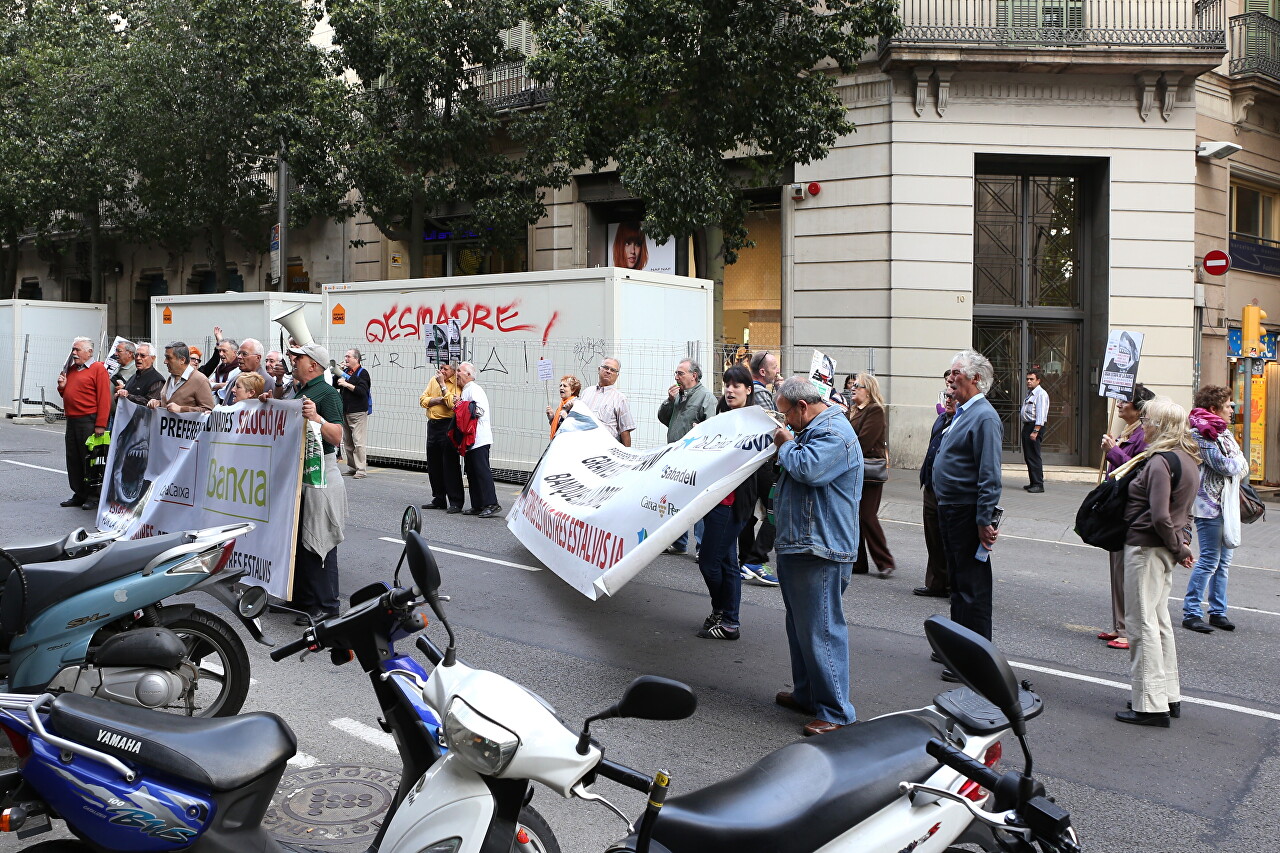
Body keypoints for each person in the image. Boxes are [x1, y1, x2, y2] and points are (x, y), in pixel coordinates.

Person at [770, 377, 862, 737]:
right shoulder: (815, 429)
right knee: (801, 627)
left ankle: (837, 711)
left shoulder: (834, 433)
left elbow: (808, 469)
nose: (785, 422)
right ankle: (809, 694)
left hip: (821, 546)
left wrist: (785, 444)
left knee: (821, 629)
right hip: (804, 542)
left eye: (786, 414)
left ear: (803, 407)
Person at [1116, 397, 1200, 727]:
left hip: (1147, 549)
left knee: (1142, 624)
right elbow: (1184, 515)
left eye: (1148, 420)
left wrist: (1179, 548)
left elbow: (1160, 516)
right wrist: (1182, 546)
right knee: (1160, 620)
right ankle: (1167, 695)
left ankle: (1150, 705)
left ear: (1161, 425)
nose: (1143, 425)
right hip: (1164, 549)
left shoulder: (1160, 461)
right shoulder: (1188, 460)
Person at [932, 350, 1002, 680]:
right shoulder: (963, 412)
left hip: (966, 511)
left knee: (972, 587)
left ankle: (974, 660)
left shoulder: (984, 417)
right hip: (953, 509)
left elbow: (989, 474)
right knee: (959, 584)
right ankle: (958, 650)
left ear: (974, 379)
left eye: (956, 372)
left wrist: (984, 519)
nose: (950, 376)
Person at [695, 365, 759, 641]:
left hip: (732, 503)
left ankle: (724, 612)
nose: (730, 389)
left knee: (709, 562)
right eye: (726, 384)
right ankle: (728, 618)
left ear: (749, 390)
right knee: (727, 563)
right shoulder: (722, 416)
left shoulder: (755, 422)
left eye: (736, 385)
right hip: (713, 499)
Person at [287, 340, 348, 625]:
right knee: (302, 541)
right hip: (305, 474)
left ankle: (327, 606)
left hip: (320, 474)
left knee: (319, 539)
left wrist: (317, 417)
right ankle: (306, 601)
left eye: (298, 357)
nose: (293, 360)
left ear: (313, 365)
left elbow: (336, 437)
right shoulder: (304, 389)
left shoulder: (327, 393)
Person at [1182, 385, 1249, 635]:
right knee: (1210, 559)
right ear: (1213, 408)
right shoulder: (1201, 433)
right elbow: (1225, 465)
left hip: (1227, 504)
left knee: (1224, 561)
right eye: (1228, 405)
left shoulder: (1223, 432)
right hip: (1209, 505)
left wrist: (1238, 463)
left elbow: (1242, 465)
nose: (1232, 409)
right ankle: (1191, 612)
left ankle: (1218, 611)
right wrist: (1238, 463)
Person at [1097, 383, 1155, 649]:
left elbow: (1136, 472)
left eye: (1124, 401)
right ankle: (1118, 624)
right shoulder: (1128, 431)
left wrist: (1113, 451)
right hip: (1117, 508)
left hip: (1130, 511)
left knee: (1126, 572)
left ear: (1138, 408)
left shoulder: (1144, 435)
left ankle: (1127, 630)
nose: (1119, 405)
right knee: (1115, 568)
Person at [659, 359, 715, 557]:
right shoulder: (679, 396)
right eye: (676, 373)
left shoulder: (706, 397)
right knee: (675, 498)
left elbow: (712, 426)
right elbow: (664, 418)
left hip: (695, 458)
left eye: (680, 373)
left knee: (697, 502)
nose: (676, 377)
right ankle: (678, 542)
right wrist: (669, 401)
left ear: (694, 375)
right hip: (675, 455)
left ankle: (702, 547)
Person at [739, 350, 781, 587]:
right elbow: (776, 423)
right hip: (764, 463)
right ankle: (755, 560)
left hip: (750, 462)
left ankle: (745, 560)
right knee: (777, 511)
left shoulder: (749, 392)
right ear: (763, 371)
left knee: (747, 513)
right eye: (774, 368)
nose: (778, 372)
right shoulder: (761, 393)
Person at [847, 372, 895, 578]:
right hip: (854, 470)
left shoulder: (874, 410)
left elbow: (863, 442)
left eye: (858, 385)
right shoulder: (852, 411)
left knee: (866, 515)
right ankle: (858, 562)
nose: (853, 388)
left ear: (869, 391)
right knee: (854, 517)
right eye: (853, 385)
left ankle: (885, 561)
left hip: (869, 469)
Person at [56, 337, 111, 510]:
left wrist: (101, 424)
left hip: (89, 420)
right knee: (73, 458)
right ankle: (79, 493)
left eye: (77, 350)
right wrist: (62, 387)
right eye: (73, 349)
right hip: (72, 419)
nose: (74, 353)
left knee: (91, 459)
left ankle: (93, 495)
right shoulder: (72, 369)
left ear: (89, 352)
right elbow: (68, 395)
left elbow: (104, 398)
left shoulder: (98, 369)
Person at [914, 374, 956, 599]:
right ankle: (937, 583)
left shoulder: (962, 421)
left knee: (946, 537)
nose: (948, 399)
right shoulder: (942, 419)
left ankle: (951, 584)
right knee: (933, 537)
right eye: (946, 395)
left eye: (952, 395)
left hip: (947, 489)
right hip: (931, 486)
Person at [455, 362, 501, 518]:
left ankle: (491, 503)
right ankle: (478, 504)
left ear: (468, 374)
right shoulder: (466, 390)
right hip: (470, 438)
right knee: (472, 472)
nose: (456, 373)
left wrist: (461, 405)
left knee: (481, 472)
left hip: (479, 437)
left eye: (459, 371)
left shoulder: (474, 389)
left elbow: (479, 410)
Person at [419, 362, 464, 512]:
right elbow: (423, 400)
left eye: (446, 369)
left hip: (448, 424)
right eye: (441, 368)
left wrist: (443, 386)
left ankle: (455, 501)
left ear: (453, 370)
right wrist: (438, 400)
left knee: (449, 463)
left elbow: (451, 403)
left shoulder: (457, 383)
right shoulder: (434, 380)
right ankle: (439, 497)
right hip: (433, 424)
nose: (441, 371)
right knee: (434, 463)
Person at [578, 357, 635, 447]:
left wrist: (626, 455)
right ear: (599, 369)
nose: (608, 371)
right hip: (582, 446)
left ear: (617, 375)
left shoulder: (620, 399)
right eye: (606, 367)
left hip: (605, 452)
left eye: (613, 370)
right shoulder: (587, 392)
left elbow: (625, 431)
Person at [334, 349, 372, 479]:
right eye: (345, 356)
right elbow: (335, 384)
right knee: (348, 441)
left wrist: (346, 383)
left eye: (348, 356)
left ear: (356, 359)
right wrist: (337, 371)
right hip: (345, 411)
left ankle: (361, 469)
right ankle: (352, 467)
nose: (346, 359)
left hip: (358, 412)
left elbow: (362, 391)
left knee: (358, 441)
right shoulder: (345, 372)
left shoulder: (363, 373)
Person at [150, 342, 215, 414]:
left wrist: (182, 409)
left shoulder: (200, 380)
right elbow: (171, 403)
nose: (165, 361)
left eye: (169, 358)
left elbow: (208, 410)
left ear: (182, 360)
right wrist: (158, 403)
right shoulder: (171, 377)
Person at [1021, 369, 1049, 493]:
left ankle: (1038, 484)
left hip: (1034, 427)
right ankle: (1033, 482)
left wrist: (1036, 431)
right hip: (1028, 426)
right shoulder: (1031, 393)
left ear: (1038, 380)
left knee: (1034, 456)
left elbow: (1041, 414)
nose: (1028, 381)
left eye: (1031, 379)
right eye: (1027, 379)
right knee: (1029, 456)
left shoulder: (1040, 394)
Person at [116, 343, 165, 407]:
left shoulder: (157, 380)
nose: (138, 358)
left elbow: (150, 404)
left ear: (152, 358)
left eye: (142, 355)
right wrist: (118, 394)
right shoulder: (134, 376)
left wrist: (128, 396)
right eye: (136, 355)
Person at [201, 331, 240, 399]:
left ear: (234, 353)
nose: (221, 354)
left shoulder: (239, 370)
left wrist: (214, 386)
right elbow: (206, 385)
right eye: (219, 351)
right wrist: (221, 385)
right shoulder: (219, 369)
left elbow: (229, 388)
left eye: (224, 351)